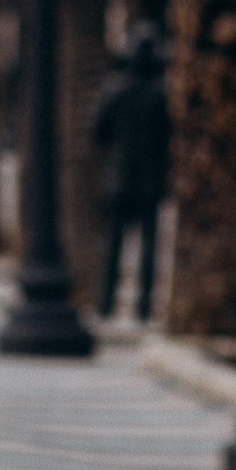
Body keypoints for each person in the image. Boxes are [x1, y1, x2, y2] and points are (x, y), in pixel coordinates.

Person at [93, 24, 171, 322]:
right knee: (148, 246)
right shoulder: (159, 94)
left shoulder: (115, 91)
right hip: (149, 180)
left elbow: (98, 131)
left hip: (120, 178)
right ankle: (144, 307)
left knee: (114, 243)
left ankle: (106, 304)